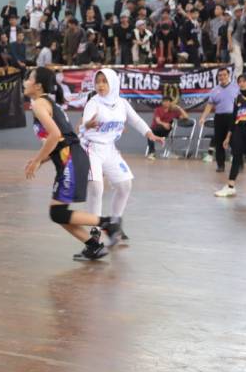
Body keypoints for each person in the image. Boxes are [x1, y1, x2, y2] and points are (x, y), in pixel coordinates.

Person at [24, 67, 122, 261]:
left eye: (29, 78)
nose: (25, 82)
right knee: (58, 213)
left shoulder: (39, 104)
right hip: (72, 158)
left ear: (38, 85)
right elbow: (61, 140)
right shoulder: (47, 102)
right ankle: (94, 246)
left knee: (57, 213)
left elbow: (55, 135)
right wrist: (42, 160)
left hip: (71, 160)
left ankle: (108, 223)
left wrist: (37, 161)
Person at [78, 69, 164, 253]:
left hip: (109, 148)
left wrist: (150, 134)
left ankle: (115, 223)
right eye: (98, 81)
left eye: (104, 81)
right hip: (91, 147)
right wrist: (87, 124)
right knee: (96, 187)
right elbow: (84, 123)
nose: (100, 85)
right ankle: (95, 230)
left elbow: (136, 121)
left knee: (125, 185)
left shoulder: (122, 103)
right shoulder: (93, 103)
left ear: (113, 83)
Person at [200, 67, 240, 172]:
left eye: (224, 75)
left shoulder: (236, 88)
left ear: (229, 75)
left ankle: (239, 164)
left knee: (235, 141)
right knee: (219, 142)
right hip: (219, 118)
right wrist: (203, 117)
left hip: (232, 117)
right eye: (220, 75)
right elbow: (209, 105)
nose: (222, 77)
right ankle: (220, 165)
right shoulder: (214, 90)